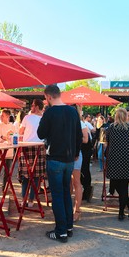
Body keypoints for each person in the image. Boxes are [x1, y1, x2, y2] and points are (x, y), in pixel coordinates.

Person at [37, 84, 82, 243]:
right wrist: (76, 153)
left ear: (48, 97)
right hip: (70, 159)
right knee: (65, 193)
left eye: (45, 98)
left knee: (57, 195)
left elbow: (40, 133)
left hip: (55, 158)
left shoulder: (49, 112)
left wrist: (44, 115)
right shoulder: (72, 111)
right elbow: (78, 134)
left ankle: (61, 231)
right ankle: (68, 227)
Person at [105, 108, 129, 221]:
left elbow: (107, 141)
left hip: (115, 159)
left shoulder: (111, 128)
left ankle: (124, 211)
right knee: (123, 186)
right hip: (128, 158)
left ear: (116, 116)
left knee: (118, 185)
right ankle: (125, 209)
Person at [18, 99, 46, 207]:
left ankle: (24, 199)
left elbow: (20, 132)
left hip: (27, 147)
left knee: (26, 175)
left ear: (37, 107)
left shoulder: (27, 117)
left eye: (33, 105)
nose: (31, 107)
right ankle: (31, 200)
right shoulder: (44, 118)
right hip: (39, 147)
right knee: (36, 176)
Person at [71, 106, 88, 222]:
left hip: (76, 154)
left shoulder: (81, 124)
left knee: (76, 182)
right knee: (68, 182)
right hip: (66, 155)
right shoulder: (67, 123)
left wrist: (74, 138)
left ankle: (77, 210)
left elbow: (86, 139)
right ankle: (70, 208)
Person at [0, 109, 14, 192]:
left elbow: (13, 139)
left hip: (9, 152)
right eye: (0, 115)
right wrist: (6, 137)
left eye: (3, 115)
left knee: (7, 172)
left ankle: (5, 188)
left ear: (8, 116)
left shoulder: (12, 126)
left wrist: (4, 138)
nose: (0, 117)